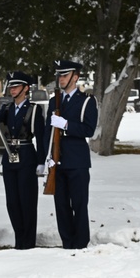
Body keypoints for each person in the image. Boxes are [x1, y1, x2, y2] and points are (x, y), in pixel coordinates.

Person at [42, 59, 98, 250]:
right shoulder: (53, 101)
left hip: (77, 160)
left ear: (75, 77)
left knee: (79, 203)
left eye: (64, 75)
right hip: (57, 160)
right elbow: (46, 132)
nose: (61, 79)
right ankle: (67, 242)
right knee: (61, 205)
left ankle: (81, 243)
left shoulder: (87, 101)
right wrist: (46, 156)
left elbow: (89, 129)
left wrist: (66, 125)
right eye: (59, 75)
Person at [0, 71, 45, 249]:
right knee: (12, 201)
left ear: (26, 88)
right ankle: (19, 238)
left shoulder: (34, 109)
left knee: (27, 200)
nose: (12, 89)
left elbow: (40, 137)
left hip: (26, 156)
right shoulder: (7, 109)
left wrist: (41, 161)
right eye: (11, 86)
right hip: (10, 158)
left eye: (16, 86)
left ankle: (28, 241)